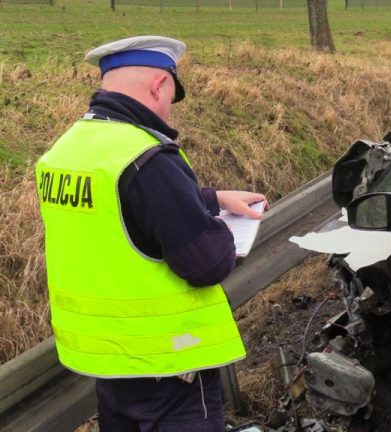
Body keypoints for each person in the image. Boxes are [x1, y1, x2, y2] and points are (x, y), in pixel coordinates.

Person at [35, 36, 268, 431]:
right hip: (168, 365)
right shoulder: (146, 156)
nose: (169, 113)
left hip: (107, 361)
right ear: (160, 84)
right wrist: (225, 232)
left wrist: (209, 198)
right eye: (170, 97)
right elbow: (206, 264)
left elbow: (118, 212)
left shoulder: (68, 149)